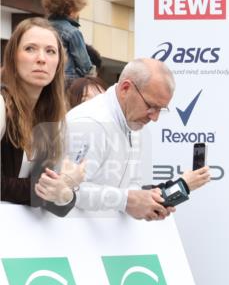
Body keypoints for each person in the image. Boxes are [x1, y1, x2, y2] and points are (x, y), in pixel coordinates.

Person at [65, 58, 209, 219]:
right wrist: (127, 200)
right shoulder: (89, 123)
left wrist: (146, 198)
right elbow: (67, 190)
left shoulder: (132, 120)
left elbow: (128, 184)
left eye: (161, 109)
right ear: (126, 88)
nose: (154, 118)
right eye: (151, 106)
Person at [1, 18, 84, 215]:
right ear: (13, 57)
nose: (41, 59)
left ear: (58, 63)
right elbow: (39, 193)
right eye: (30, 49)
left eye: (50, 51)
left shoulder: (54, 118)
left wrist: (64, 192)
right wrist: (47, 188)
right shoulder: (2, 105)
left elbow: (56, 206)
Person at [41, 0, 94, 84]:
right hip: (66, 82)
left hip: (47, 77)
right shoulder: (73, 32)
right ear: (71, 9)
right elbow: (84, 65)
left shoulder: (42, 26)